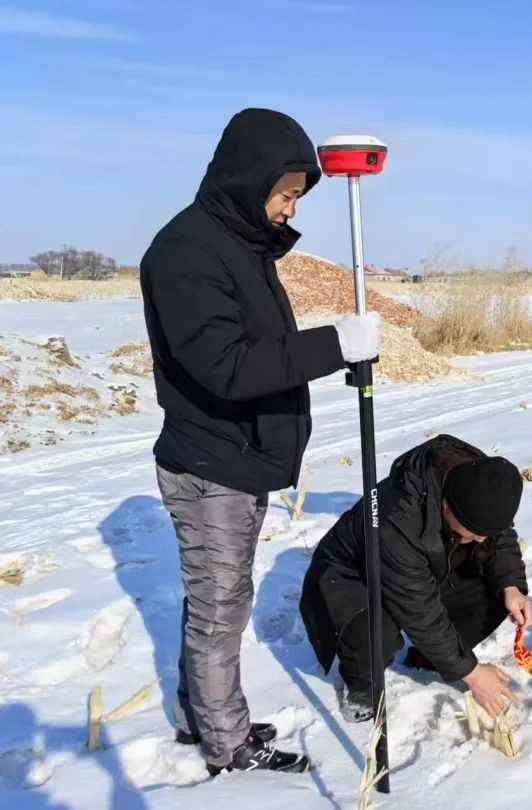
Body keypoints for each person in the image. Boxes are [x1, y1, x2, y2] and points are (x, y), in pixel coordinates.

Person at [140, 108, 380, 776]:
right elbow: (228, 365)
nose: (288, 208)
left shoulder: (234, 244)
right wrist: (334, 344)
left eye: (297, 196)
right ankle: (227, 744)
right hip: (212, 458)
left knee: (216, 601)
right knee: (220, 611)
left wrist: (330, 356)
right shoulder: (188, 252)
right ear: (248, 179)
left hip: (235, 455)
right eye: (284, 194)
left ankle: (206, 715)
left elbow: (266, 350)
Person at [300, 435, 532, 721]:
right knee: (375, 635)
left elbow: (499, 536)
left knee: (496, 591)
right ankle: (362, 683)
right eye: (474, 531)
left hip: (425, 565)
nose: (482, 538)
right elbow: (418, 607)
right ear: (450, 505)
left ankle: (431, 656)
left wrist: (511, 584)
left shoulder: (477, 477)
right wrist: (471, 674)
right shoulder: (396, 518)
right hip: (351, 577)